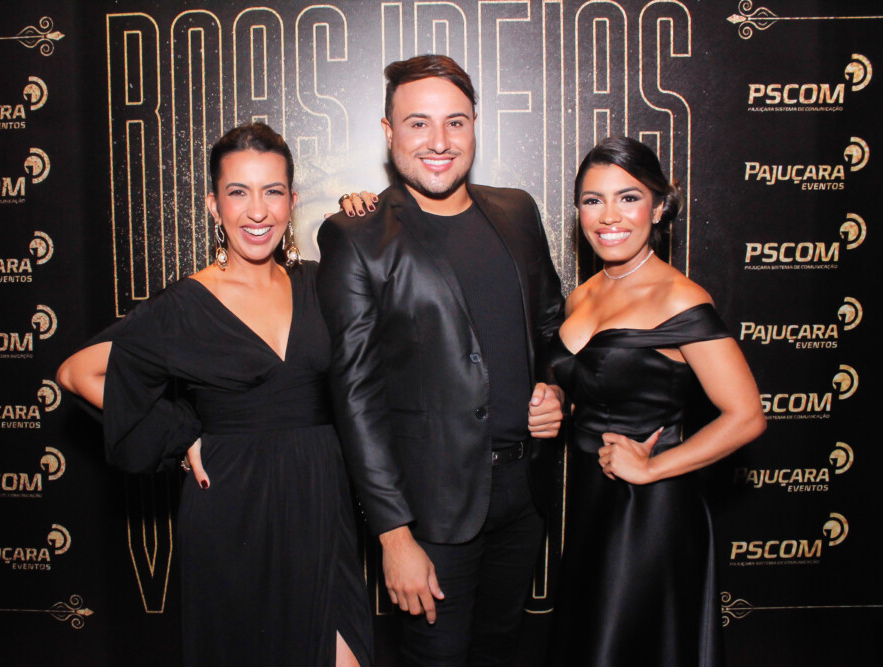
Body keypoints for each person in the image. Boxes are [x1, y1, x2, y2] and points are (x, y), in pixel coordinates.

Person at [56, 123, 372, 667]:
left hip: (321, 504)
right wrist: (178, 431)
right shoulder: (187, 305)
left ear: (292, 201)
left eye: (273, 191)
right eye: (238, 192)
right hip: (232, 509)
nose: (258, 211)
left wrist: (369, 216)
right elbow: (77, 372)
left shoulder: (320, 283)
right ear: (213, 205)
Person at [316, 55, 565, 666]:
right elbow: (355, 397)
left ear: (475, 125)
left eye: (455, 122)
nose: (439, 141)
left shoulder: (518, 211)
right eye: (418, 123)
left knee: (501, 652)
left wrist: (558, 390)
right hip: (429, 512)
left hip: (525, 495)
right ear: (388, 132)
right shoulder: (357, 235)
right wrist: (393, 534)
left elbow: (552, 328)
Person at [546, 136, 766, 666]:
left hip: (648, 514)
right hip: (590, 504)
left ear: (660, 206)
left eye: (629, 197)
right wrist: (553, 397)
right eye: (593, 200)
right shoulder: (583, 294)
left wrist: (652, 468)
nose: (608, 216)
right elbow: (590, 384)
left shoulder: (679, 298)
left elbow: (746, 416)